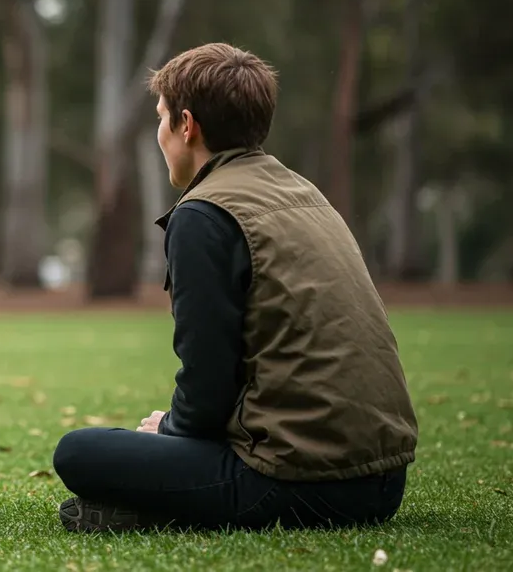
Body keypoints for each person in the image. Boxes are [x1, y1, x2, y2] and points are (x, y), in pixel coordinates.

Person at [52, 43, 419, 533]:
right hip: (384, 482)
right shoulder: (302, 192)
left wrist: (169, 431)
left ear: (187, 125)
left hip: (297, 480)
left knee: (78, 452)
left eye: (161, 119)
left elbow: (207, 385)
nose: (160, 134)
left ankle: (158, 510)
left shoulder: (205, 214)